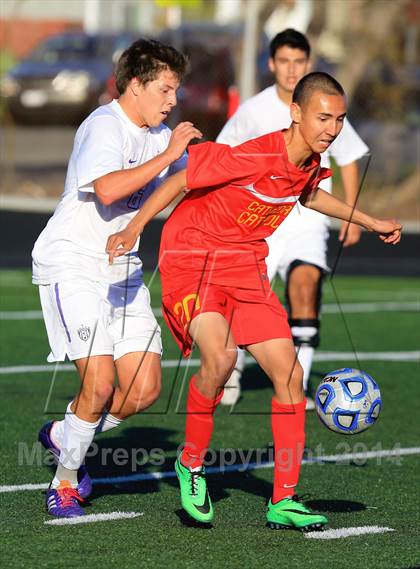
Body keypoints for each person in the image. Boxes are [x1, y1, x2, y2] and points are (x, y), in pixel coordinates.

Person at [106, 72, 401, 530]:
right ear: (297, 113)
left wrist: (370, 219)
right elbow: (181, 181)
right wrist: (133, 228)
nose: (332, 128)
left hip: (245, 264)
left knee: (290, 371)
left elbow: (306, 193)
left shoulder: (309, 159)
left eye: (340, 119)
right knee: (221, 358)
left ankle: (283, 500)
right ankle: (191, 463)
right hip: (193, 256)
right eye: (323, 117)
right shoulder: (256, 153)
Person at [32, 38, 202, 518]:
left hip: (123, 272)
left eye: (176, 92)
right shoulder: (104, 126)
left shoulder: (161, 136)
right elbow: (108, 190)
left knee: (144, 390)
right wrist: (170, 154)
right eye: (166, 90)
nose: (173, 102)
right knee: (101, 383)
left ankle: (66, 434)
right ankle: (65, 483)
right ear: (133, 85)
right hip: (74, 264)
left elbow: (192, 183)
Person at [217, 29, 369, 408]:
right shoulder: (253, 110)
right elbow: (223, 156)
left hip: (308, 216)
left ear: (308, 64)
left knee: (306, 284)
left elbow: (348, 157)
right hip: (263, 220)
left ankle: (296, 384)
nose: (291, 69)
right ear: (271, 64)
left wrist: (351, 215)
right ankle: (230, 369)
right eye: (284, 61)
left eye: (298, 62)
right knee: (244, 301)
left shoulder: (326, 107)